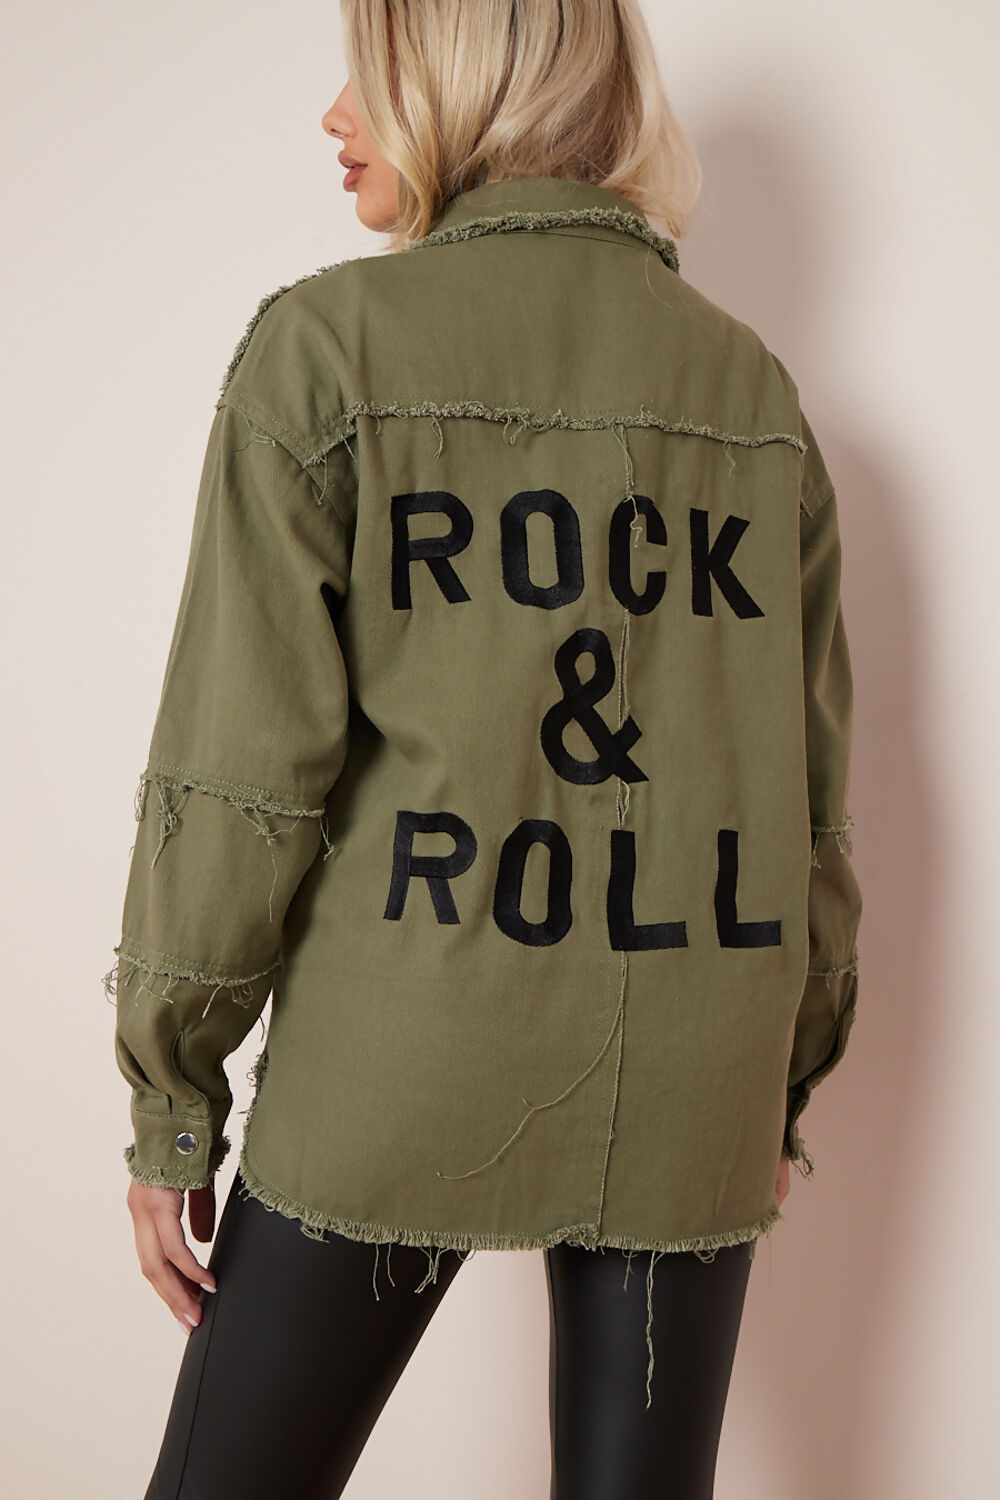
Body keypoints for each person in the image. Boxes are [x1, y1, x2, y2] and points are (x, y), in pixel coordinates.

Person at [103, 3, 863, 1496]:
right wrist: (780, 1078)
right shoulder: (753, 396)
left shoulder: (327, 353)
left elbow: (242, 779)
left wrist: (172, 1098)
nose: (337, 115)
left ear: (459, 80)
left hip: (407, 1052)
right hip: (692, 1066)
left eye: (369, 71)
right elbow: (808, 800)